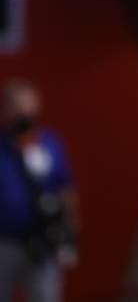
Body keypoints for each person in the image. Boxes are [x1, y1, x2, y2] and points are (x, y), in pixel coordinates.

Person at [0, 79, 79, 302]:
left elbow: (66, 191)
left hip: (43, 245)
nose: (23, 116)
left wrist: (70, 235)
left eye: (28, 109)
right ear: (5, 112)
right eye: (17, 109)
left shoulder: (50, 144)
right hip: (3, 243)